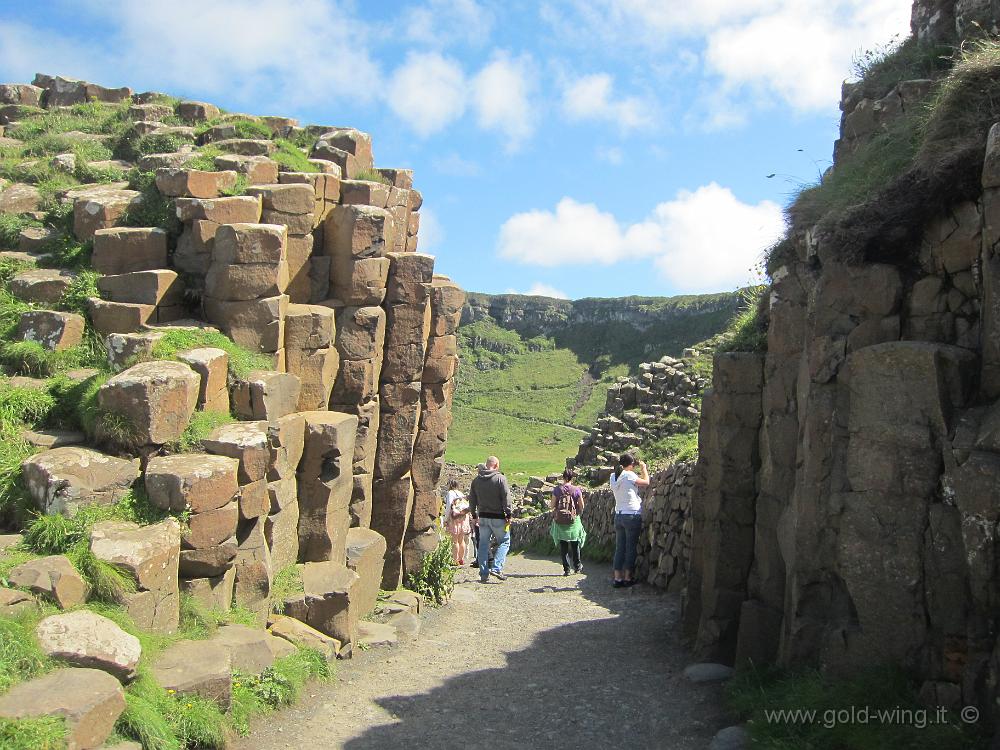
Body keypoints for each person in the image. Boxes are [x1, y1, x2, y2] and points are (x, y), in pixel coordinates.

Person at [468, 455, 512, 583]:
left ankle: (483, 573)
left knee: (482, 545)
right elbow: (506, 498)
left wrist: (474, 515)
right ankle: (497, 567)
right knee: (504, 541)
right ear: (496, 465)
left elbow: (472, 500)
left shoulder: (476, 480)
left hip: (483, 517)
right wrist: (508, 514)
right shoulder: (500, 479)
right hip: (498, 517)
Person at [609, 452, 649, 588]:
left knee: (620, 548)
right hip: (631, 514)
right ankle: (627, 577)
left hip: (618, 514)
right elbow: (646, 482)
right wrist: (644, 469)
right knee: (631, 547)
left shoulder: (613, 476)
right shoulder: (629, 475)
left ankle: (617, 578)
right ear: (631, 465)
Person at [549, 468, 586, 576]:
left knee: (563, 545)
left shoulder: (557, 490)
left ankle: (567, 569)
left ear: (563, 477)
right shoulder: (576, 490)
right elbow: (582, 505)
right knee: (575, 544)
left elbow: (552, 505)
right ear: (572, 478)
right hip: (574, 521)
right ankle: (577, 567)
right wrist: (577, 512)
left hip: (560, 521)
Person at [444, 479, 471, 565]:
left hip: (454, 518)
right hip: (463, 517)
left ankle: (455, 560)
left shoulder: (450, 493)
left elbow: (448, 507)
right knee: (461, 539)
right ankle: (461, 559)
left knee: (454, 541)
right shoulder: (461, 493)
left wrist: (446, 519)